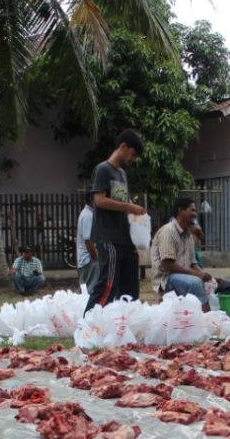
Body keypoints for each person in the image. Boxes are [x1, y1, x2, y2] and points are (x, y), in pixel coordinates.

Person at [85, 128, 146, 311]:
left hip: (125, 238)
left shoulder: (122, 174)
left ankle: (124, 323)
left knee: (130, 287)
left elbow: (120, 201)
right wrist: (129, 207)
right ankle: (89, 323)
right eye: (132, 154)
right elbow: (100, 200)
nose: (132, 160)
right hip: (108, 237)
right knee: (108, 284)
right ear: (123, 146)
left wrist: (136, 211)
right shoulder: (103, 169)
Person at [151, 198, 213, 311]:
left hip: (182, 276)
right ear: (181, 211)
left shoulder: (188, 235)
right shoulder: (168, 231)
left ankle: (212, 318)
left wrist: (205, 275)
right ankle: (208, 321)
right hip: (166, 278)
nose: (195, 214)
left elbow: (193, 262)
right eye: (192, 210)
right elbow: (168, 264)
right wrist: (197, 274)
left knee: (221, 285)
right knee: (195, 283)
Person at [76, 192, 98, 291]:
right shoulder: (87, 216)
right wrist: (95, 258)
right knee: (90, 290)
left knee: (86, 290)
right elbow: (88, 241)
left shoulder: (88, 213)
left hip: (88, 260)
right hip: (89, 260)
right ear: (91, 199)